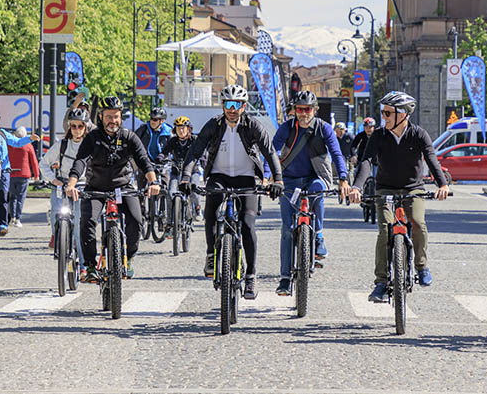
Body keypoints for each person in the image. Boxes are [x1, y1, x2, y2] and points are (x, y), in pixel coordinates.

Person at [179, 84, 283, 300]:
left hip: (247, 177)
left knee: (247, 224)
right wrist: (186, 177)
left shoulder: (253, 125)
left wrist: (278, 180)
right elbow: (194, 151)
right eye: (228, 104)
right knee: (210, 213)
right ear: (223, 105)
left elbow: (269, 152)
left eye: (237, 105)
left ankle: (252, 274)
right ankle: (211, 254)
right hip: (219, 176)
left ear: (244, 106)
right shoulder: (214, 125)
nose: (232, 109)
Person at [349, 91, 449, 303]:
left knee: (418, 222)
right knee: (385, 228)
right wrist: (356, 187)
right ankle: (381, 282)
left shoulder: (419, 134)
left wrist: (442, 184)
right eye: (383, 112)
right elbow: (366, 161)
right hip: (385, 189)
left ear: (402, 115)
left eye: (387, 113)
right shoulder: (378, 135)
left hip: (413, 189)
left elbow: (431, 159)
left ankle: (421, 266)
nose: (383, 117)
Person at [65, 96, 160, 280]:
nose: (112, 121)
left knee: (136, 219)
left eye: (116, 116)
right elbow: (80, 161)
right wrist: (71, 184)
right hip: (96, 189)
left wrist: (153, 182)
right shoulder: (92, 137)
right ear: (101, 117)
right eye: (109, 116)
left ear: (120, 117)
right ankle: (91, 266)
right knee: (88, 221)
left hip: (122, 188)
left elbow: (143, 161)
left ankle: (129, 257)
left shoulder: (128, 136)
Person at [272, 91, 350, 296]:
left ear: (314, 110)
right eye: (300, 109)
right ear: (294, 110)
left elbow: (336, 153)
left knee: (317, 191)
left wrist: (343, 178)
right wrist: (267, 175)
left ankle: (319, 234)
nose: (304, 113)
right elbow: (271, 152)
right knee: (287, 230)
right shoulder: (286, 128)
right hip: (288, 180)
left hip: (315, 176)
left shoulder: (324, 129)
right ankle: (285, 279)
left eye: (307, 109)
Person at [42, 107, 92, 274]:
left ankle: (84, 265)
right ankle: (58, 237)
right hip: (62, 185)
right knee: (58, 213)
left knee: (79, 226)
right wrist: (54, 180)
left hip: (83, 186)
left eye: (80, 126)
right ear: (69, 127)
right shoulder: (62, 145)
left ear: (86, 127)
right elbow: (43, 164)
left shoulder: (90, 145)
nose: (77, 130)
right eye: (73, 126)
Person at [0, 111, 34, 236]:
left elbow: (17, 142)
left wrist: (29, 138)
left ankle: (3, 224)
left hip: (4, 169)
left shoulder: (3, 134)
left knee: (4, 196)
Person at [135, 106, 173, 230]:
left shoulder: (169, 132)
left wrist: (169, 159)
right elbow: (134, 143)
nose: (152, 121)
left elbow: (174, 146)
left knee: (164, 188)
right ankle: (141, 212)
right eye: (151, 118)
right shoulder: (143, 129)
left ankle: (162, 215)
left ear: (162, 121)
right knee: (140, 189)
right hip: (145, 162)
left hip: (163, 163)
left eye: (156, 119)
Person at [161, 115, 201, 227]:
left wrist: (203, 160)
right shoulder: (173, 141)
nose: (181, 130)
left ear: (189, 129)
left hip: (193, 171)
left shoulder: (194, 140)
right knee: (170, 194)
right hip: (176, 171)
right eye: (178, 128)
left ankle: (197, 208)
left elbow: (202, 152)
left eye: (183, 128)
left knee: (193, 189)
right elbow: (165, 151)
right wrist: (161, 156)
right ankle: (169, 222)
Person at [7, 127, 40, 227]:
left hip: (11, 173)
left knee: (12, 197)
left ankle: (12, 217)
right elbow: (34, 161)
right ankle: (17, 219)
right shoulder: (28, 146)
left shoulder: (10, 145)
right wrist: (37, 175)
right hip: (24, 174)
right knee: (20, 197)